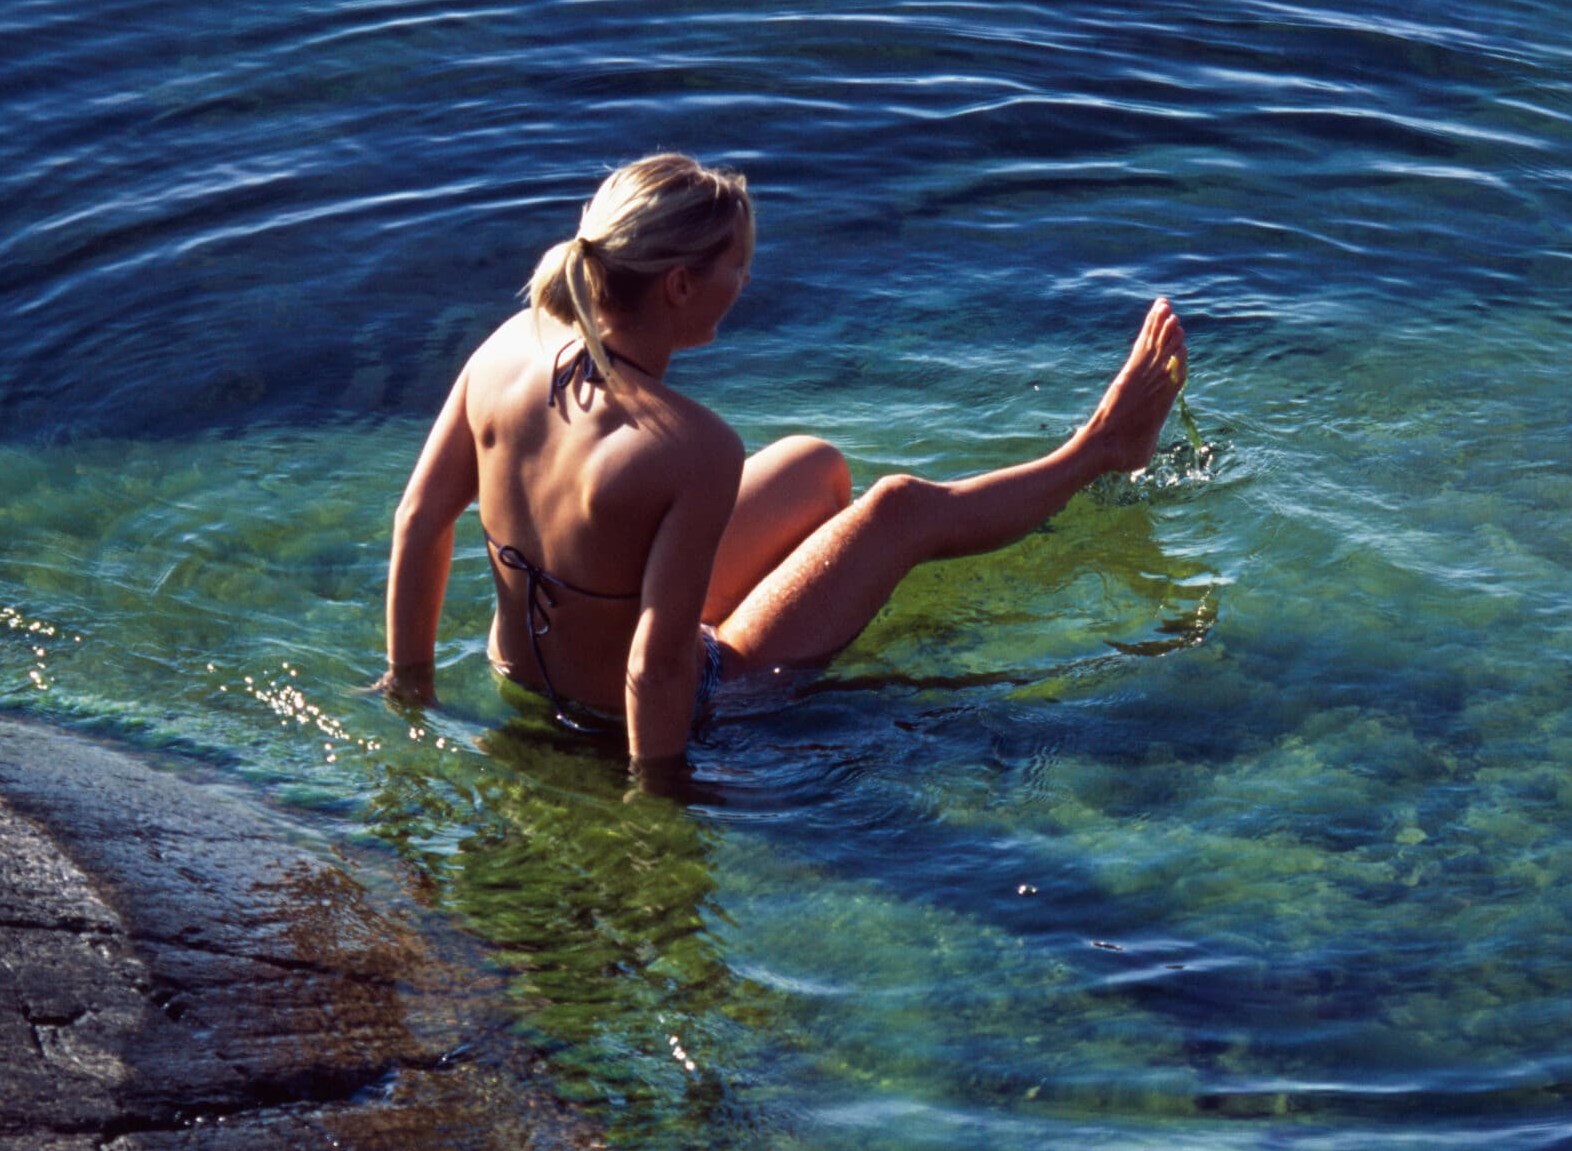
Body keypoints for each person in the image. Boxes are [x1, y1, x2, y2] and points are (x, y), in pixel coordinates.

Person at [379, 153, 1187, 783]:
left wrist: (408, 684)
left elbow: (419, 521)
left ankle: (1091, 454)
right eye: (739, 264)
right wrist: (657, 799)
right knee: (896, 507)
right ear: (682, 284)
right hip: (671, 707)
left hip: (519, 670)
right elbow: (657, 667)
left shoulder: (508, 345)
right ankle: (1101, 449)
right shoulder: (691, 446)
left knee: (813, 465)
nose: (748, 281)